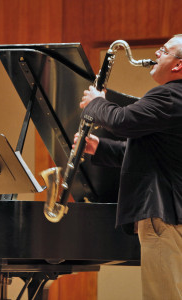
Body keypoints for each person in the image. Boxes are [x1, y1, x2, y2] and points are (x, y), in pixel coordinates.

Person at [76, 34, 182, 299]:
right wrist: (99, 147)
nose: (157, 54)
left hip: (165, 217)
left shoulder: (171, 95)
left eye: (164, 50)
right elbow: (149, 157)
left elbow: (122, 121)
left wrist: (95, 102)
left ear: (179, 65)